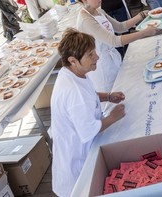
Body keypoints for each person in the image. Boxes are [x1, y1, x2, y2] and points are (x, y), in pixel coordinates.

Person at [51, 28, 126, 197]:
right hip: (78, 162)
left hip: (76, 149)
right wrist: (113, 117)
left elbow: (89, 94)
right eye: (90, 55)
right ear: (73, 60)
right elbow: (89, 130)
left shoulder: (71, 73)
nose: (97, 57)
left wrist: (107, 96)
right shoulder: (73, 92)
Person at [74, 0, 156, 92]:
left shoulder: (98, 11)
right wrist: (144, 33)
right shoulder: (86, 19)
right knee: (111, 99)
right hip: (101, 66)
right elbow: (114, 41)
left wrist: (141, 15)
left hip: (112, 59)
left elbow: (120, 27)